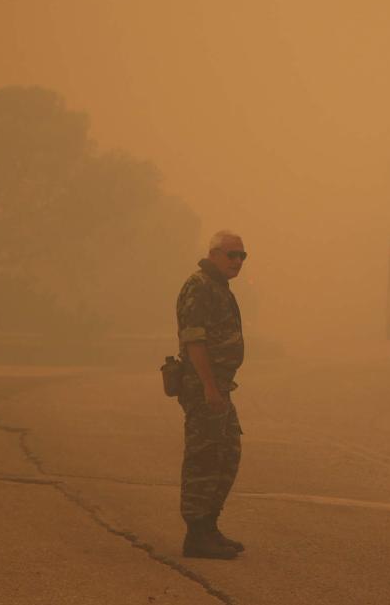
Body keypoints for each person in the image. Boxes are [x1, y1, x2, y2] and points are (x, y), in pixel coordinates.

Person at [175, 230, 248, 559]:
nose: (238, 262)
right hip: (204, 388)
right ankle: (196, 535)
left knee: (227, 455)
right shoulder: (199, 285)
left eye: (242, 256)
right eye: (232, 255)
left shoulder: (219, 287)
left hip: (219, 387)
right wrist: (208, 387)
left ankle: (209, 527)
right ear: (214, 253)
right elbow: (194, 341)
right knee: (203, 460)